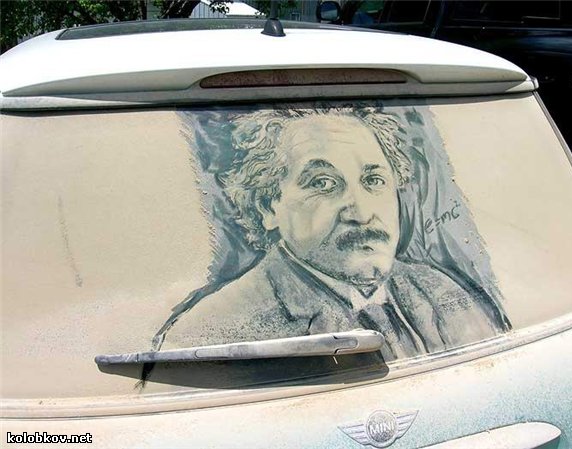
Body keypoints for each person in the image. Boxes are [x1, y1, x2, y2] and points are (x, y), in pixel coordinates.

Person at [152, 104, 509, 360]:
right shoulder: (208, 334)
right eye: (323, 183)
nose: (362, 213)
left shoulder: (443, 291)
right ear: (268, 206)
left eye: (374, 180)